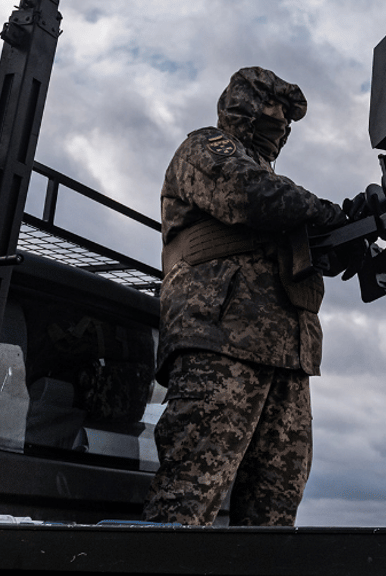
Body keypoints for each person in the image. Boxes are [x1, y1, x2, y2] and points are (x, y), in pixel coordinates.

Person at [144, 66, 345, 526]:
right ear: (246, 110)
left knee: (273, 515)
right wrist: (330, 213)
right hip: (219, 343)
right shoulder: (208, 147)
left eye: (289, 123)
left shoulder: (279, 187)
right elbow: (246, 193)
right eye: (276, 117)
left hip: (287, 358)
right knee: (188, 498)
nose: (283, 130)